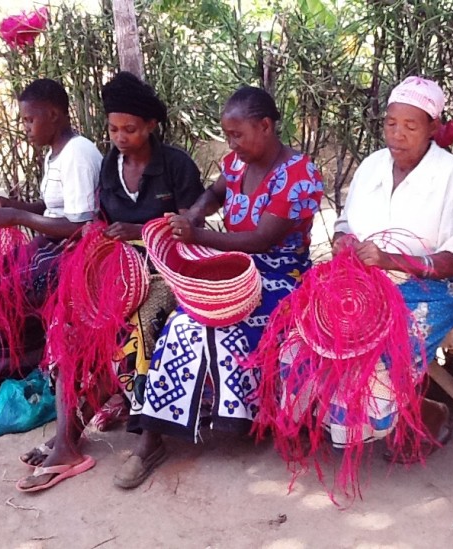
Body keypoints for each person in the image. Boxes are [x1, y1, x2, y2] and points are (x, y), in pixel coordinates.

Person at [113, 85, 324, 489]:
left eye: (238, 134)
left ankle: (248, 417)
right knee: (181, 324)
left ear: (265, 126)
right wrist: (192, 214)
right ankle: (151, 439)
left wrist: (196, 237)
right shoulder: (236, 165)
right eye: (227, 135)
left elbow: (262, 240)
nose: (231, 143)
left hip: (282, 278)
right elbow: (213, 193)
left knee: (221, 324)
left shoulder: (299, 173)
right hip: (233, 269)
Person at [16, 72, 203, 491]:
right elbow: (98, 223)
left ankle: (149, 438)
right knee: (69, 318)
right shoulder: (109, 165)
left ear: (151, 125)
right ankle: (69, 436)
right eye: (114, 129)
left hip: (170, 268)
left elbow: (192, 228)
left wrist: (138, 233)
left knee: (144, 319)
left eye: (130, 129)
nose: (120, 137)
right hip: (120, 266)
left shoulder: (176, 165)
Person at [315, 76, 453, 460]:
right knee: (314, 332)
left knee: (378, 346)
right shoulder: (372, 165)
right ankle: (389, 415)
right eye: (390, 123)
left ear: (433, 128)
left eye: (410, 126)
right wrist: (344, 242)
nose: (397, 135)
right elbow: (345, 223)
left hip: (430, 288)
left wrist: (390, 261)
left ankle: (424, 414)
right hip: (363, 282)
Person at [0, 79, 102, 434]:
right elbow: (49, 208)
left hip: (75, 256)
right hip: (52, 246)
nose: (25, 128)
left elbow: (82, 224)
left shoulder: (78, 154)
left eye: (29, 120)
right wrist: (8, 204)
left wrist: (17, 218)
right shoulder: (56, 153)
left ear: (54, 114)